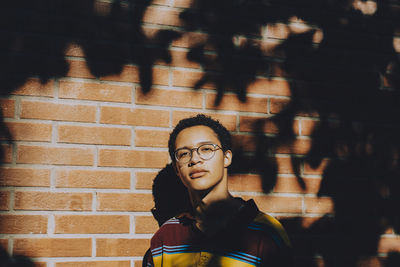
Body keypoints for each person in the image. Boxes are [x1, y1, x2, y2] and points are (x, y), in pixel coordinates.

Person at [144, 114, 292, 267]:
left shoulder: (266, 233)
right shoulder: (165, 238)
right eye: (184, 154)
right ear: (176, 168)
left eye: (206, 149)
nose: (194, 159)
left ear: (226, 157)